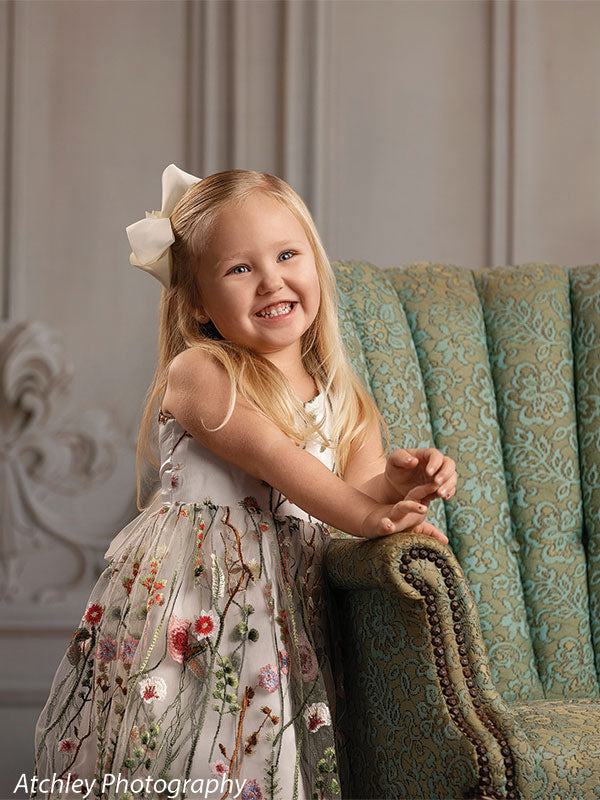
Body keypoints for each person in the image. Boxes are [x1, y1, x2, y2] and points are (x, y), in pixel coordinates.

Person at [32, 165, 457, 800]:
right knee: (182, 756)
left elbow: (352, 496)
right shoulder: (199, 371)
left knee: (269, 765)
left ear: (315, 263)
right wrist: (369, 515)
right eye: (239, 268)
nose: (271, 280)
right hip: (196, 607)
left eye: (288, 254)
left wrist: (397, 488)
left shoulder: (345, 397)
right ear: (197, 302)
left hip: (289, 613)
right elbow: (282, 464)